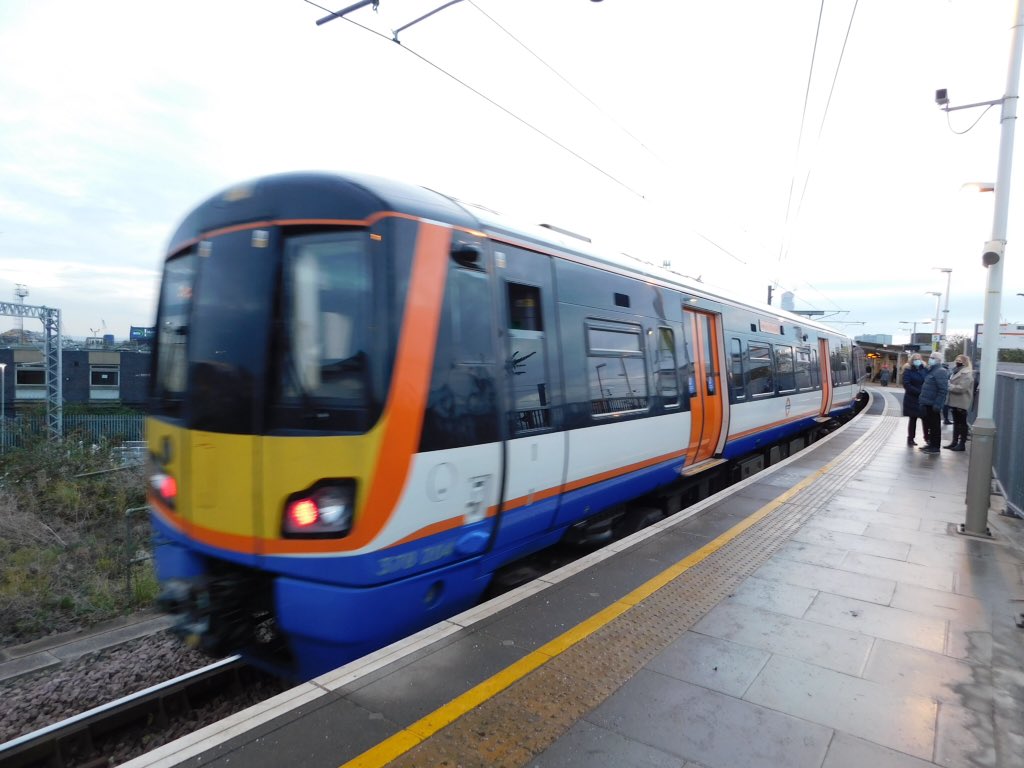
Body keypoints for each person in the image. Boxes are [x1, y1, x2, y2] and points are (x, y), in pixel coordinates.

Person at [918, 351, 950, 454]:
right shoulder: (931, 371)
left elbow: (943, 390)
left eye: (932, 358)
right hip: (927, 403)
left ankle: (935, 447)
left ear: (937, 360)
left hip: (932, 404)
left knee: (935, 426)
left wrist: (937, 404)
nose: (929, 359)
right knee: (930, 426)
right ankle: (931, 444)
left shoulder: (940, 371)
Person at [945, 354, 974, 452]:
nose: (957, 362)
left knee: (962, 423)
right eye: (956, 359)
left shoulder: (967, 373)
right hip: (955, 401)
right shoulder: (956, 371)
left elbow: (962, 388)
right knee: (956, 423)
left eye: (960, 360)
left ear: (965, 362)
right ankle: (954, 442)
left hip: (962, 401)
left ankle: (962, 444)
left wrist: (950, 386)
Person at [902, 353, 927, 446]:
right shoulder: (908, 370)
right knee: (913, 419)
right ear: (912, 361)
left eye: (919, 358)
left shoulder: (924, 370)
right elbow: (906, 384)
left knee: (925, 418)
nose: (917, 360)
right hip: (912, 398)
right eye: (915, 359)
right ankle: (910, 438)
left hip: (923, 399)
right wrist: (918, 392)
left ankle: (927, 438)